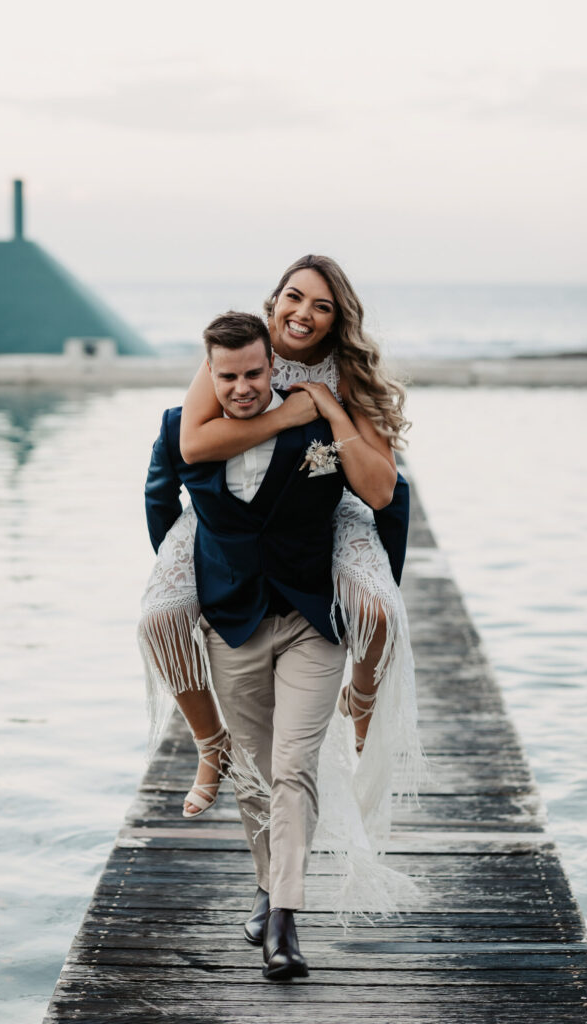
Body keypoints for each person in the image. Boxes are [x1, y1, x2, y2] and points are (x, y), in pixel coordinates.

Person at [139, 255, 426, 914]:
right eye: (293, 298)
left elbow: (380, 490)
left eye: (320, 306)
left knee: (377, 607)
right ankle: (209, 746)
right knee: (155, 617)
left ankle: (360, 694)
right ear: (273, 303)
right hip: (226, 524)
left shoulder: (346, 379)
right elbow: (192, 445)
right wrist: (291, 416)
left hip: (325, 508)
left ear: (336, 320)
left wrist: (327, 404)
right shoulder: (241, 353)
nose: (302, 313)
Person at [144, 311, 378, 978]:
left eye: (253, 373)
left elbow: (383, 501)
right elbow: (161, 506)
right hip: (231, 623)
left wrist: (377, 584)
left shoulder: (317, 426)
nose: (242, 386)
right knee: (253, 772)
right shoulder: (177, 430)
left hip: (310, 618)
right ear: (207, 374)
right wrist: (193, 588)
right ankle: (266, 883)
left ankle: (284, 922)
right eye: (227, 377)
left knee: (292, 766)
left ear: (272, 365)